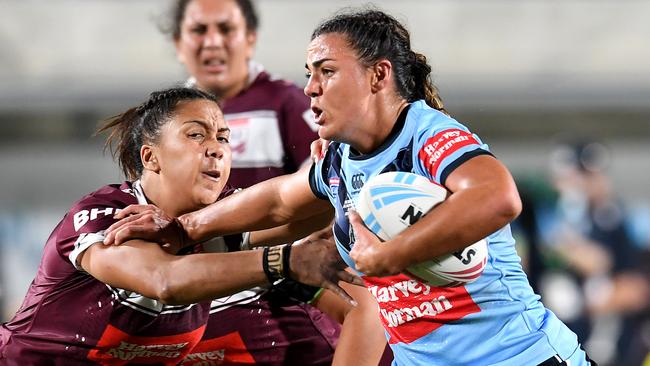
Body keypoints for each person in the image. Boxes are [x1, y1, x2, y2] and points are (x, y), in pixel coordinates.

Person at [105, 8, 597, 366]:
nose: (311, 88)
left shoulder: (429, 135)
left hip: (518, 357)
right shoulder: (339, 156)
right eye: (307, 75)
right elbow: (277, 201)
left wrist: (389, 256)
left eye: (326, 72)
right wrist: (187, 225)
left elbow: (497, 197)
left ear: (379, 76)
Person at [0, 87, 363, 364]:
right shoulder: (109, 215)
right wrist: (284, 261)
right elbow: (165, 281)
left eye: (223, 137)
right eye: (196, 134)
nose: (217, 148)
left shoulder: (222, 215)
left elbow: (286, 204)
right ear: (150, 157)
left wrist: (349, 157)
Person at [165, 1, 390, 364]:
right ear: (178, 43)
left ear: (250, 39)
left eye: (225, 29)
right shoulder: (163, 119)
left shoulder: (291, 103)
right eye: (198, 30)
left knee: (364, 306)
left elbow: (316, 199)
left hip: (282, 265)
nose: (212, 42)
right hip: (201, 266)